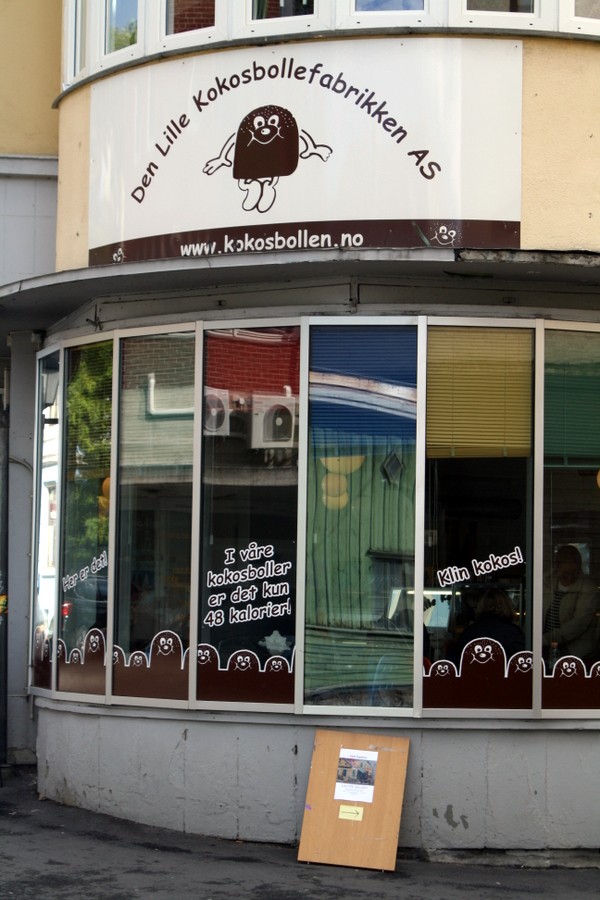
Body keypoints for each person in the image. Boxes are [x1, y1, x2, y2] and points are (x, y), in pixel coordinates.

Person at [543, 544, 599, 666]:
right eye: (566, 572)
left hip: (577, 654)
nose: (570, 577)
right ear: (557, 567)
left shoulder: (588, 588)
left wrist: (545, 639)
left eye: (575, 572)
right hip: (547, 651)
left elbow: (579, 624)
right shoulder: (546, 583)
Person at [455, 587, 525, 661]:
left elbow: (459, 658)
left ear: (481, 605)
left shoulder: (469, 631)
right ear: (507, 606)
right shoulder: (513, 632)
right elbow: (519, 660)